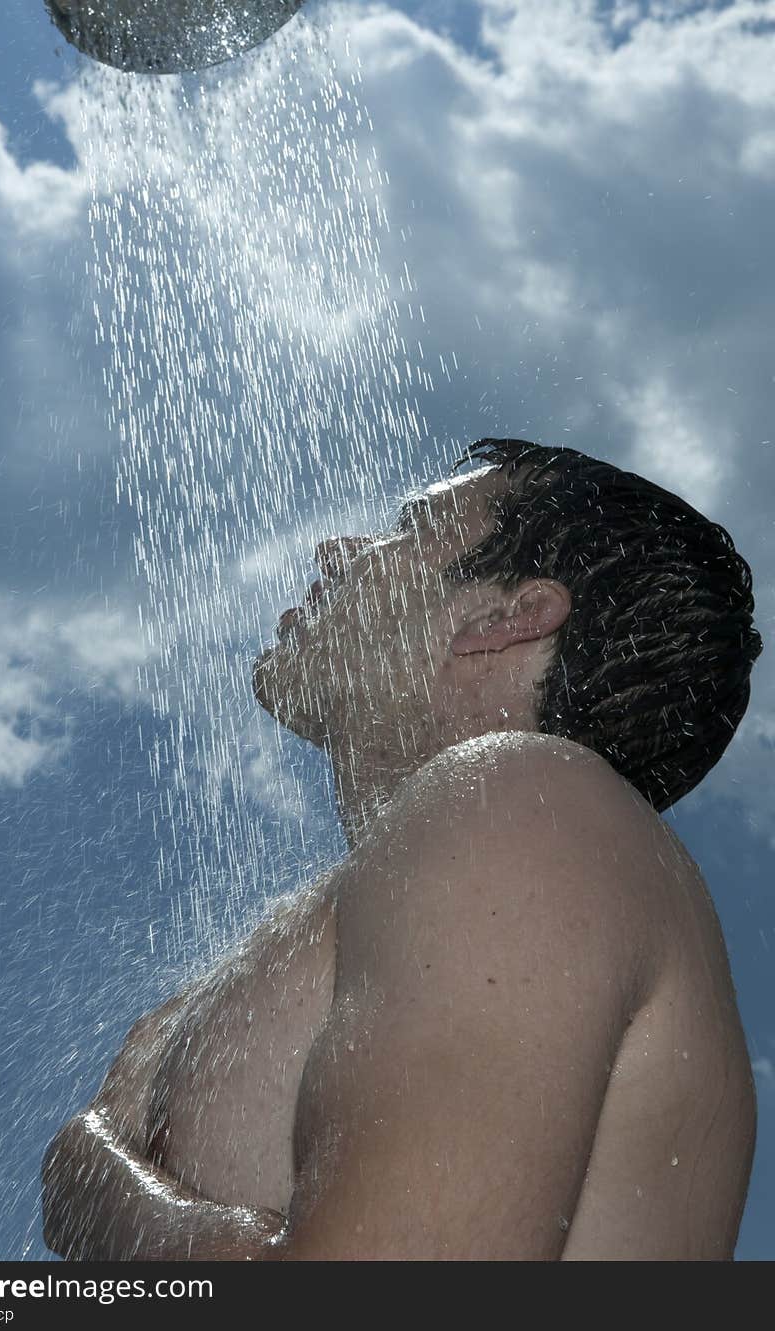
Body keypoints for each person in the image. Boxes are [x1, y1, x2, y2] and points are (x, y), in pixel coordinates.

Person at [42, 437, 763, 1260]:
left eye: (411, 525)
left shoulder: (530, 802)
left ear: (506, 616)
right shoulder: (414, 888)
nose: (338, 549)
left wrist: (91, 1177)